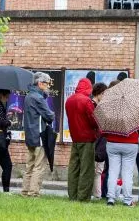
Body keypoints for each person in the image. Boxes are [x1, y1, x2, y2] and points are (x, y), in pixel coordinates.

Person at [64, 71, 99, 202]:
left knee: (73, 168)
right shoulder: (86, 101)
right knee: (86, 169)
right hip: (87, 139)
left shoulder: (69, 100)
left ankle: (72, 195)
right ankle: (83, 197)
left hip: (75, 138)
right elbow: (93, 120)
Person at [21, 72, 56, 197]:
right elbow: (49, 116)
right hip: (39, 136)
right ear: (40, 83)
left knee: (29, 166)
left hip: (30, 136)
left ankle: (25, 191)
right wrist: (51, 113)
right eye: (46, 83)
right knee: (39, 166)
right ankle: (33, 193)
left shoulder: (29, 96)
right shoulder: (38, 98)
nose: (48, 86)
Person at [104, 105, 139, 207]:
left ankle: (111, 198)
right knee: (127, 173)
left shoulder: (111, 109)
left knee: (113, 172)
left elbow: (103, 130)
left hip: (112, 142)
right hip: (130, 143)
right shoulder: (136, 110)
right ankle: (127, 200)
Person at [92, 82, 109, 198]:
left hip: (99, 141)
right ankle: (97, 195)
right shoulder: (95, 106)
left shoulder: (97, 106)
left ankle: (97, 195)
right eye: (103, 94)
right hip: (97, 141)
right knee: (97, 171)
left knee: (98, 171)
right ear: (99, 93)